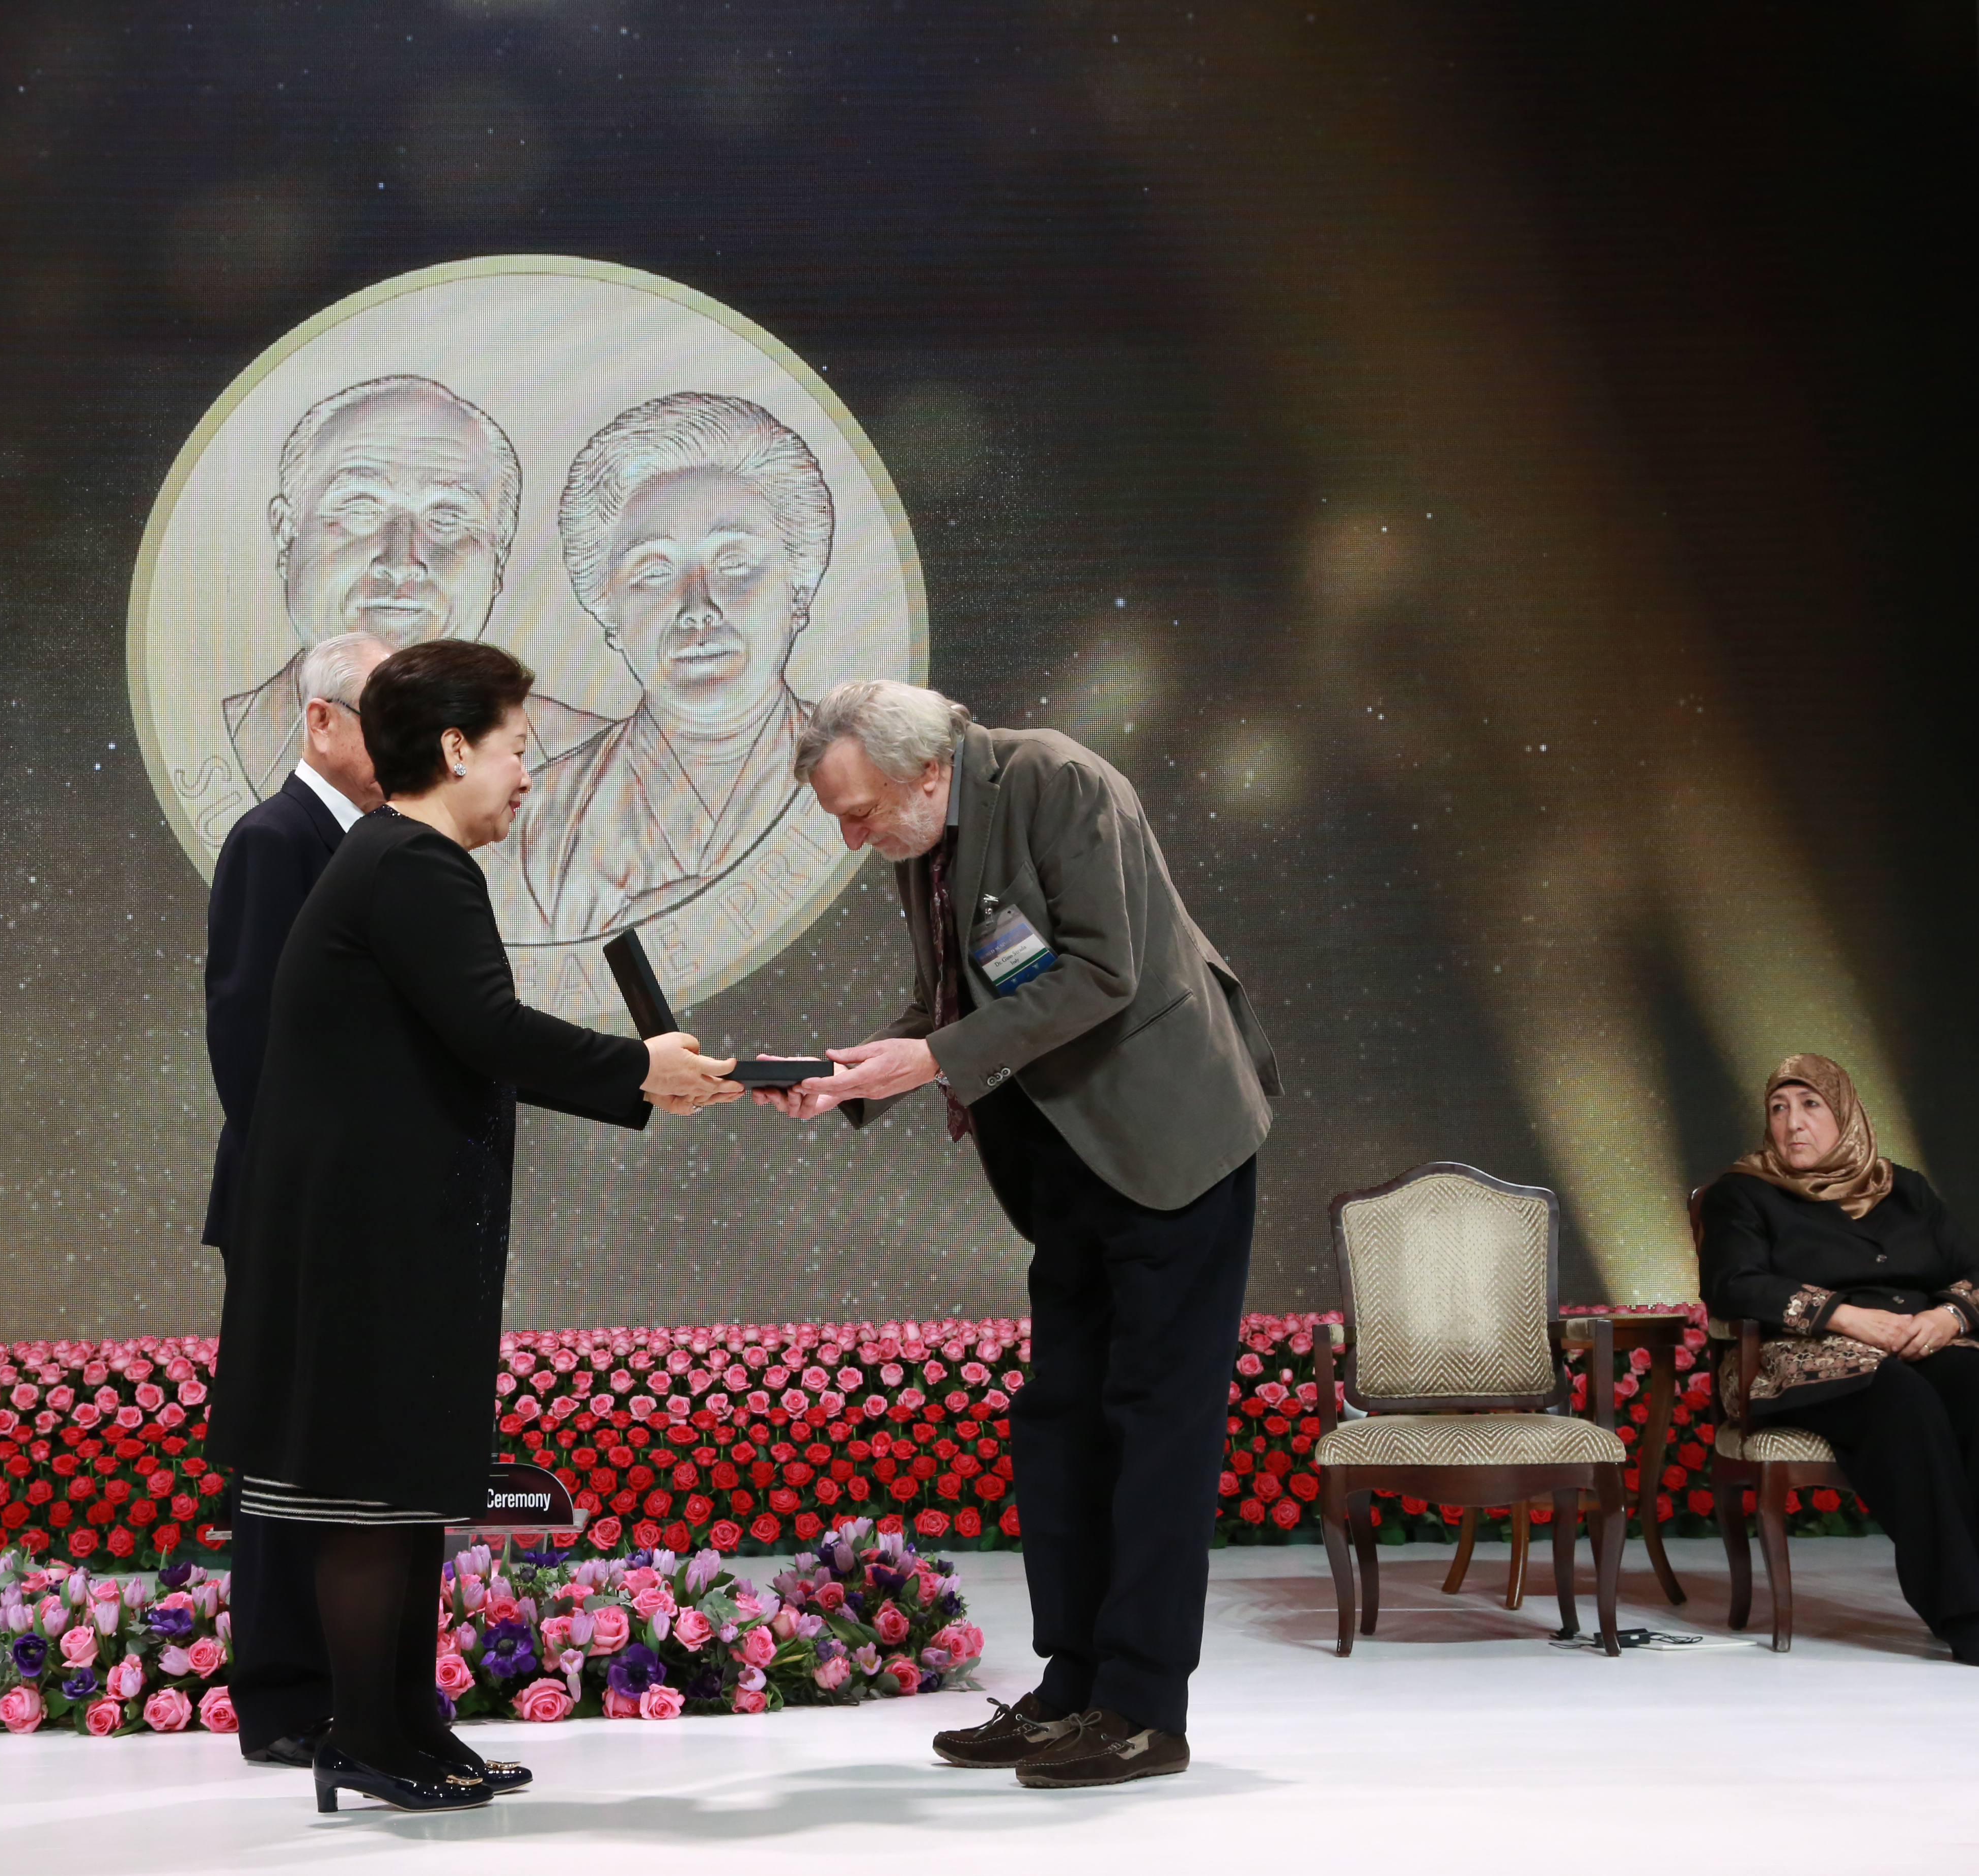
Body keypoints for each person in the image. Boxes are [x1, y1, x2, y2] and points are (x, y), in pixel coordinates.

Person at [208, 639, 739, 1814]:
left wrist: (638, 1074)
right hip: (366, 1248)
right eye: (516, 750)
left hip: (390, 1241)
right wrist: (638, 1069)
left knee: (403, 1497)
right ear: (454, 748)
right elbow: (489, 1029)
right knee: (369, 1498)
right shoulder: (412, 863)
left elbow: (462, 1037)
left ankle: (405, 1730)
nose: (525, 776)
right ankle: (366, 1736)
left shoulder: (399, 858)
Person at [756, 679, 1281, 1789]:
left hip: (1169, 1148)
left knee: (1154, 1430)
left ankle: (1141, 1708)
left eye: (859, 814)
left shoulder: (1058, 782)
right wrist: (850, 1076)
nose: (855, 841)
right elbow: (950, 999)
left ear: (930, 770)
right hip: (1066, 1165)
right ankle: (1072, 1689)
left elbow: (1102, 971)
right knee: (1062, 1424)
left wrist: (935, 1058)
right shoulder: (929, 836)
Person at [200, 629, 386, 1767]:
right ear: (319, 720)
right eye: (383, 713)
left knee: (349, 1458)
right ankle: (282, 1696)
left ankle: (349, 1688)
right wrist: (314, 1191)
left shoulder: (375, 842)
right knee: (285, 1453)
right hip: (296, 1207)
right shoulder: (277, 839)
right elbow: (249, 1036)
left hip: (357, 1209)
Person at [491, 392, 829, 941]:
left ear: (799, 591)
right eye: (654, 572)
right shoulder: (532, 822)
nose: (699, 610)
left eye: (734, 562)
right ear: (606, 611)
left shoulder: (869, 774)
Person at [1697, 1053, 1979, 1661]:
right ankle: (1966, 1613)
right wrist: (1843, 1317)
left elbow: (1970, 1270)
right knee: (1903, 1401)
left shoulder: (1905, 1188)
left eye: (1810, 1105)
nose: (1793, 1123)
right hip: (1799, 1360)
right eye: (1779, 1108)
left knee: (1973, 1382)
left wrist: (1946, 1316)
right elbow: (1733, 1284)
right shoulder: (1743, 1193)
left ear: (1846, 1113)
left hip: (1917, 1343)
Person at [221, 374, 609, 801]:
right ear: (285, 534)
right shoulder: (223, 742)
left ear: (499, 556)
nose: (400, 562)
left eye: (446, 517)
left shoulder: (593, 767)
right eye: (359, 509)